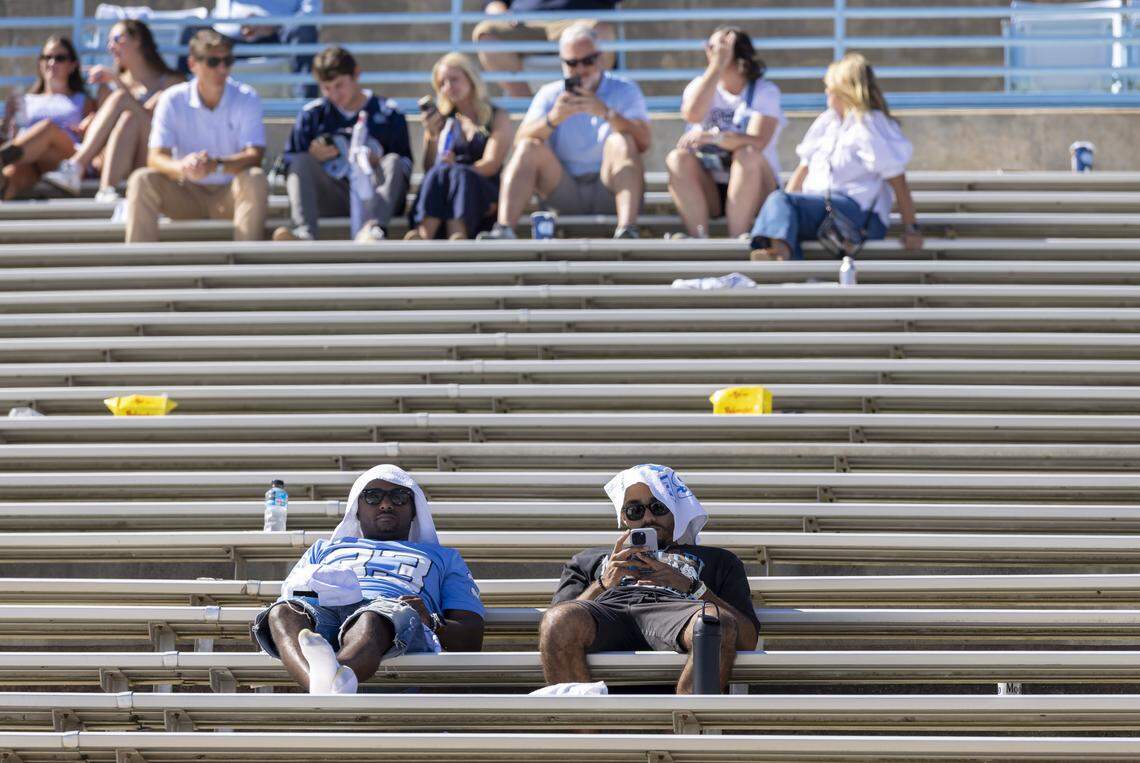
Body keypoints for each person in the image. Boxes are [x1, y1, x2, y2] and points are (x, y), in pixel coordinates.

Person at [251, 464, 485, 694]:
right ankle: (328, 683)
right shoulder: (323, 549)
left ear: (414, 509)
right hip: (324, 607)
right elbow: (290, 595)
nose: (386, 504)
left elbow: (471, 637)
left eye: (399, 496)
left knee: (371, 618)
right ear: (357, 509)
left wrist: (431, 621)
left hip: (390, 612)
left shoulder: (444, 557)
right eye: (373, 496)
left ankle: (327, 682)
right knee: (282, 613)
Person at [539, 464, 760, 694]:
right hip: (608, 611)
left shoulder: (719, 559)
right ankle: (583, 730)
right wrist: (603, 584)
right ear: (624, 518)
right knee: (558, 620)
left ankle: (685, 726)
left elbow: (747, 639)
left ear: (676, 508)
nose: (647, 518)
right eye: (635, 510)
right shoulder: (589, 560)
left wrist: (691, 586)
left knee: (714, 622)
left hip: (680, 612)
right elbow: (554, 632)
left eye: (658, 507)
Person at [479, 23, 649, 240]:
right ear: (562, 63)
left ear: (600, 58)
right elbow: (520, 142)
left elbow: (644, 141)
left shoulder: (625, 89)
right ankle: (504, 229)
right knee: (529, 146)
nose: (581, 69)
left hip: (609, 189)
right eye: (572, 63)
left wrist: (607, 113)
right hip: (563, 191)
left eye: (588, 60)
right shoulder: (550, 94)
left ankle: (628, 230)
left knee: (622, 141)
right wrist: (553, 119)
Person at [749, 52, 922, 261]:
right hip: (820, 208)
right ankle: (785, 257)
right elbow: (803, 170)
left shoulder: (869, 124)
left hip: (856, 213)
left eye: (829, 86)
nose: (826, 91)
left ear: (844, 90)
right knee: (778, 201)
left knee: (780, 200)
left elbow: (897, 180)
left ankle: (782, 255)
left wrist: (911, 228)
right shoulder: (826, 122)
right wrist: (783, 209)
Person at [124, 30, 268, 243]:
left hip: (230, 195)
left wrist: (215, 165)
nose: (222, 69)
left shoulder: (247, 97)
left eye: (227, 61)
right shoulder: (172, 99)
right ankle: (138, 270)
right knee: (141, 180)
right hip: (185, 193)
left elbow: (255, 155)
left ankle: (245, 268)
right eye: (213, 62)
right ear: (193, 64)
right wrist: (183, 167)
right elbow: (154, 158)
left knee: (255, 178)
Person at [272, 45, 412, 243]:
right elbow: (288, 161)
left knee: (393, 161)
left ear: (356, 74)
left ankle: (374, 230)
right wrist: (314, 156)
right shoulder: (313, 115)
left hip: (375, 197)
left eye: (339, 85)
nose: (334, 94)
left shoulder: (388, 112)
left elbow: (405, 165)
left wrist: (376, 162)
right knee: (300, 161)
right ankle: (304, 232)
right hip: (333, 196)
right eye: (326, 88)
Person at [43, 20, 184, 202]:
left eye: (117, 39)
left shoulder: (171, 81)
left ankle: (76, 166)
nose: (110, 47)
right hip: (120, 160)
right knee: (127, 119)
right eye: (108, 41)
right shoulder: (108, 87)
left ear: (138, 40)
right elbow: (107, 133)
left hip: (154, 155)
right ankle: (106, 189)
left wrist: (118, 82)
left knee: (121, 101)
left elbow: (150, 117)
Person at [667, 27, 785, 239]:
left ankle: (737, 238)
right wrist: (717, 67)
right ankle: (698, 237)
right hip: (712, 185)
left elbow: (758, 142)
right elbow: (692, 114)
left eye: (715, 47)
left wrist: (715, 137)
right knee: (677, 158)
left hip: (756, 187)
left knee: (746, 154)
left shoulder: (764, 91)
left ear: (737, 53)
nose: (709, 52)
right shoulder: (699, 85)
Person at [408, 53, 513, 240]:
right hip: (444, 194)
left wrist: (455, 169)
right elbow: (429, 168)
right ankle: (424, 234)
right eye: (442, 83)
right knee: (441, 172)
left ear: (471, 78)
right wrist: (432, 136)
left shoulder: (496, 116)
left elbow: (491, 164)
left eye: (454, 79)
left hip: (483, 191)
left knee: (457, 173)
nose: (448, 87)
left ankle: (457, 233)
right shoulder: (441, 119)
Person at [0, 37, 94, 200]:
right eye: (46, 57)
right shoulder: (27, 99)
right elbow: (15, 137)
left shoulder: (82, 99)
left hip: (65, 158)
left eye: (60, 58)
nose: (51, 62)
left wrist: (87, 125)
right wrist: (8, 120)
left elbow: (92, 138)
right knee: (12, 174)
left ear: (72, 65)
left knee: (48, 128)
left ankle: (2, 158)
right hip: (30, 160)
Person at [473, 1, 617, 98]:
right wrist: (500, 13)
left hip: (578, 22)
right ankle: (530, 108)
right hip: (524, 25)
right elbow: (492, 3)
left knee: (601, 32)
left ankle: (587, 101)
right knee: (486, 34)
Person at [179, 0, 320, 99]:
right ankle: (182, 100)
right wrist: (240, 24)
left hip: (279, 35)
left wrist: (270, 24)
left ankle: (304, 105)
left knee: (304, 31)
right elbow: (223, 14)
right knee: (192, 28)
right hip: (228, 36)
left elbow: (311, 13)